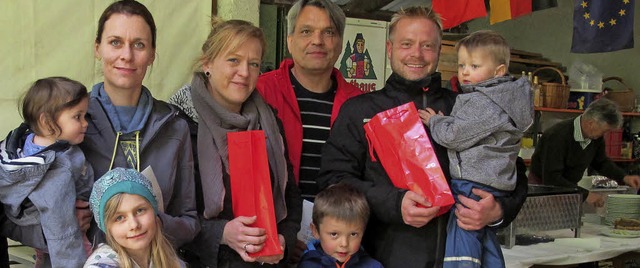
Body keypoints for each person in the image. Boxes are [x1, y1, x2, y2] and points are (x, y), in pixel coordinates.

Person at [317, 6, 529, 267]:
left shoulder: (467, 109)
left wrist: (498, 211)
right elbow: (333, 181)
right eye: (407, 44)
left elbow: (513, 171)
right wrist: (395, 204)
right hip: (380, 260)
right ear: (390, 48)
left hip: (460, 257)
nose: (416, 54)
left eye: (427, 45)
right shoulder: (360, 110)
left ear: (439, 51)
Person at [169, 18, 302, 267]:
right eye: (233, 60)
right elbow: (166, 211)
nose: (244, 73)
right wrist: (221, 234)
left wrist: (285, 238)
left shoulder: (269, 122)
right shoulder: (178, 124)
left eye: (254, 64)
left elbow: (290, 194)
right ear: (207, 63)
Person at [80, 0, 199, 249]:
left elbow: (190, 222)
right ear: (97, 48)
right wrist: (59, 222)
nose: (126, 55)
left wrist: (151, 223)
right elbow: (16, 211)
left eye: (139, 44)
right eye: (115, 42)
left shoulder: (174, 126)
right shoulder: (67, 121)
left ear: (152, 53)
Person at [418, 30, 533, 267]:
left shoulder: (486, 102)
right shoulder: (507, 99)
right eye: (461, 65)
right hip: (494, 181)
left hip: (473, 180)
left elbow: (454, 136)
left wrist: (436, 122)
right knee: (483, 236)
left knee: (463, 232)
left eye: (474, 65)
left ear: (498, 71)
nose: (465, 72)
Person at [255, 0, 363, 201]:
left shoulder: (360, 104)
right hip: (276, 226)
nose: (317, 40)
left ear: (340, 43)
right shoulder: (259, 92)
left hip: (341, 228)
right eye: (306, 31)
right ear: (289, 40)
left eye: (328, 32)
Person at [0, 77, 94, 267]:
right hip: (62, 230)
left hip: (27, 225)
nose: (85, 123)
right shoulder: (58, 173)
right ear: (47, 121)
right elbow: (63, 234)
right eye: (77, 117)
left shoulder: (17, 146)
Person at [529, 98, 640, 206]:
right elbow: (552, 178)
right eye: (605, 130)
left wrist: (624, 177)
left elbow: (601, 162)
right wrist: (585, 195)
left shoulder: (595, 138)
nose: (604, 134)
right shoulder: (557, 136)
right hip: (543, 190)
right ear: (591, 123)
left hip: (569, 189)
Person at [84, 168, 184, 268]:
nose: (134, 225)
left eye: (140, 211)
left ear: (154, 212)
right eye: (119, 218)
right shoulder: (102, 262)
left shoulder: (171, 260)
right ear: (107, 228)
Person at [297, 183, 382, 268]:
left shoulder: (373, 266)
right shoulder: (307, 264)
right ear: (315, 230)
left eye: (353, 234)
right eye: (334, 234)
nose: (344, 244)